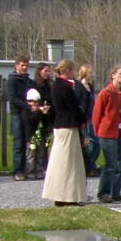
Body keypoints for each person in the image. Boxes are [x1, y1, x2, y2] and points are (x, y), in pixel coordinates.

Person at [41, 59, 88, 206]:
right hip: (68, 126)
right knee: (69, 163)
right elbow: (74, 107)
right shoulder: (65, 87)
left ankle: (60, 195)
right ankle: (67, 196)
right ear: (67, 70)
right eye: (72, 70)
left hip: (60, 125)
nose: (73, 73)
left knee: (60, 161)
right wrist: (83, 119)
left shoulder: (56, 86)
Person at [91, 64, 121, 202]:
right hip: (108, 132)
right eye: (120, 73)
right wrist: (97, 131)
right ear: (113, 75)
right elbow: (96, 115)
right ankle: (103, 193)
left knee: (119, 164)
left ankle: (115, 191)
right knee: (110, 164)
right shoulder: (105, 93)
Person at [6, 55, 33, 179]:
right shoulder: (12, 80)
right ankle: (17, 170)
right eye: (22, 65)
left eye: (26, 65)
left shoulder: (29, 81)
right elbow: (13, 98)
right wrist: (27, 106)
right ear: (16, 66)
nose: (24, 67)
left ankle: (26, 168)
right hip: (17, 113)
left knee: (28, 141)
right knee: (19, 142)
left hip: (27, 114)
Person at [25, 63, 54, 175]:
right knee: (32, 148)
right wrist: (39, 108)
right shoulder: (33, 85)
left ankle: (41, 168)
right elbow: (32, 101)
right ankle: (30, 169)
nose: (48, 73)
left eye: (49, 71)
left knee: (44, 145)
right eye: (46, 71)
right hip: (36, 118)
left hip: (47, 117)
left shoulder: (49, 85)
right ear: (39, 72)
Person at [75, 63, 99, 177]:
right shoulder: (79, 86)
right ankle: (87, 166)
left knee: (97, 143)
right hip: (85, 119)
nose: (92, 74)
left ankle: (91, 163)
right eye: (90, 72)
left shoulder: (91, 86)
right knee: (88, 143)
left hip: (92, 118)